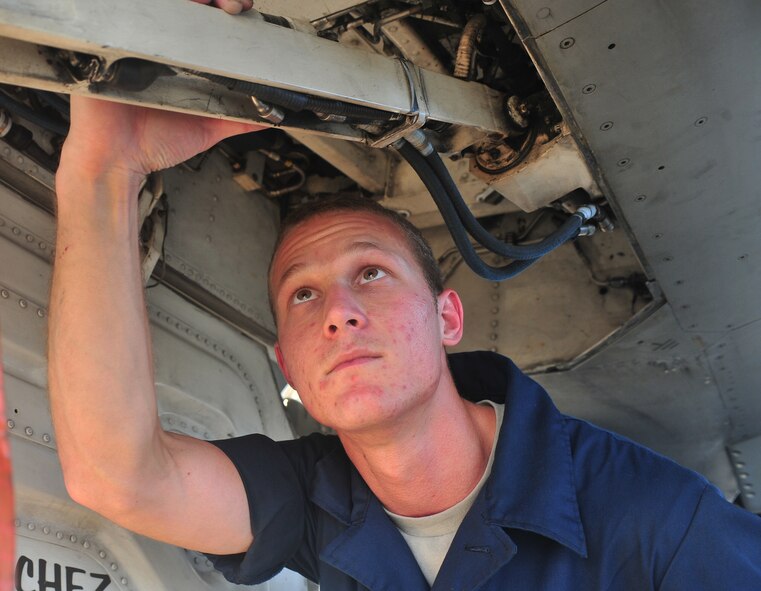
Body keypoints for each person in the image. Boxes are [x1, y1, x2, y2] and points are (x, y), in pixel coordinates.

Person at [48, 4, 761, 590]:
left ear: (447, 316)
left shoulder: (651, 518)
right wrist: (101, 172)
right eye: (302, 295)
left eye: (371, 273)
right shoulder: (318, 496)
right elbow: (122, 476)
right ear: (287, 365)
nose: (337, 312)